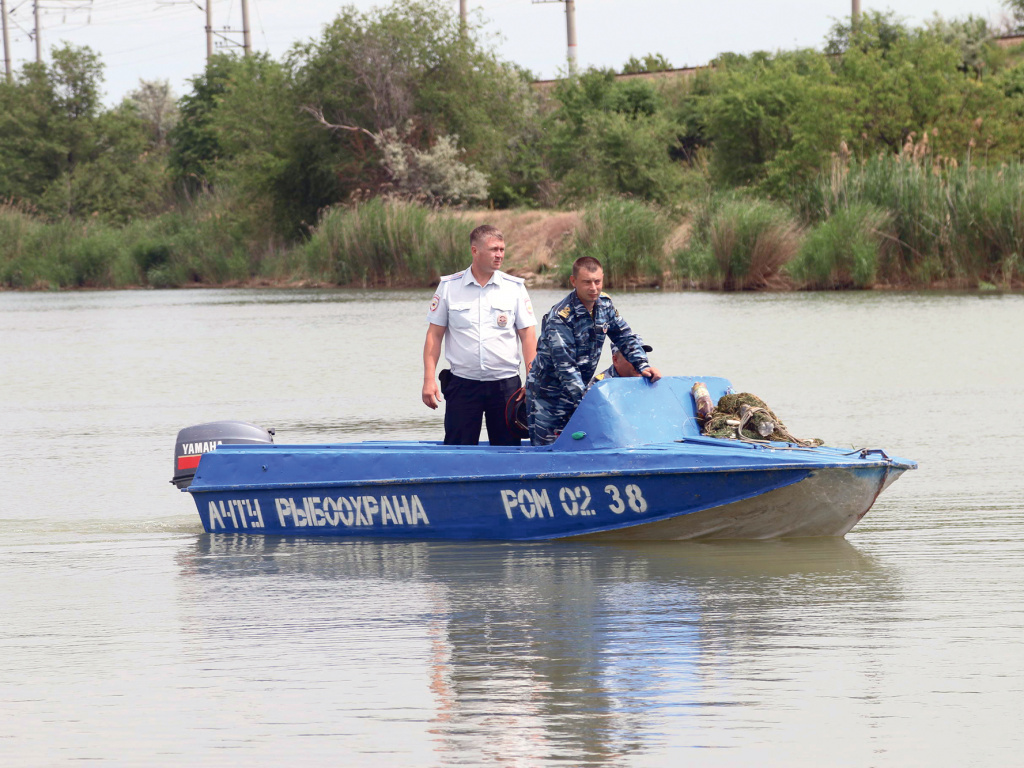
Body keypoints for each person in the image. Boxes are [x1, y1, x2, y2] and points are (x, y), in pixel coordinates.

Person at [525, 256, 661, 446]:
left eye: (597, 281)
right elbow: (566, 369)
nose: (594, 288)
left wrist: (643, 365)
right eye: (587, 282)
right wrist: (592, 403)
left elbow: (624, 337)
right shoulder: (561, 317)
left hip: (579, 390)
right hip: (549, 398)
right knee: (550, 451)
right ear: (573, 282)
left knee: (582, 446)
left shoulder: (605, 305)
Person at [422, 225, 537, 445]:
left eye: (502, 249)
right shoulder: (449, 287)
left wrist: (531, 379)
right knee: (458, 452)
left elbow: (528, 336)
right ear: (475, 251)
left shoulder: (514, 288)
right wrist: (429, 379)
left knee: (508, 451)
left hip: (506, 387)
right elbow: (434, 336)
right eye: (494, 249)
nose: (500, 255)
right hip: (463, 386)